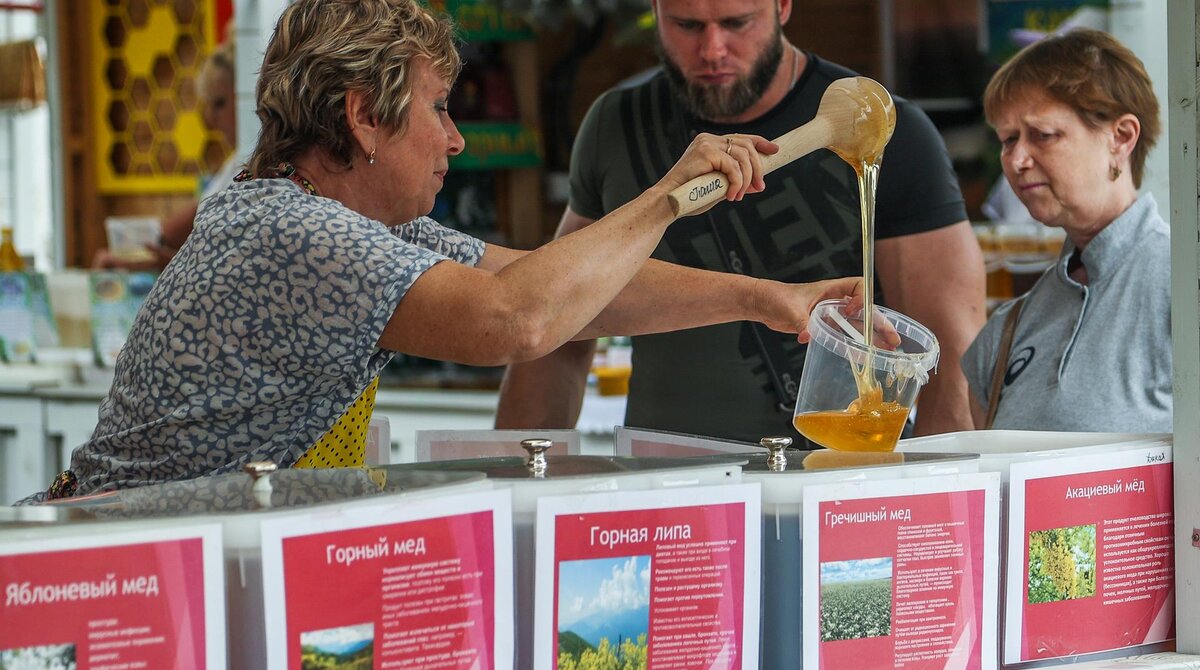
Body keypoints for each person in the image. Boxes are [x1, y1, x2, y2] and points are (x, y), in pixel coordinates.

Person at [20, 0, 872, 501]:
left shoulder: (365, 225)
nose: (456, 139)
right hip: (117, 566)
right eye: (437, 108)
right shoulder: (290, 232)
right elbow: (516, 321)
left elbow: (571, 294)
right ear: (364, 118)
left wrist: (769, 299)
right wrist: (666, 196)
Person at [495, 0, 985, 444]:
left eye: (736, 23)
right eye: (686, 25)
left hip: (833, 477)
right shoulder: (617, 125)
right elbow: (558, 325)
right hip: (661, 472)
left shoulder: (888, 133)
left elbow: (952, 361)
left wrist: (943, 498)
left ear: (782, 7)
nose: (712, 49)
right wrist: (516, 471)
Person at [961, 28, 1170, 432]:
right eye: (1008, 139)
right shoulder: (1006, 331)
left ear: (1121, 138)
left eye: (1043, 135)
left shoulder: (1183, 289)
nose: (1017, 160)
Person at [93, 39, 239, 270]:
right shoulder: (236, 161)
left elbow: (187, 227)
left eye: (220, 103)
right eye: (208, 105)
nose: (211, 118)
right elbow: (186, 225)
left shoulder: (253, 162)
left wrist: (161, 259)